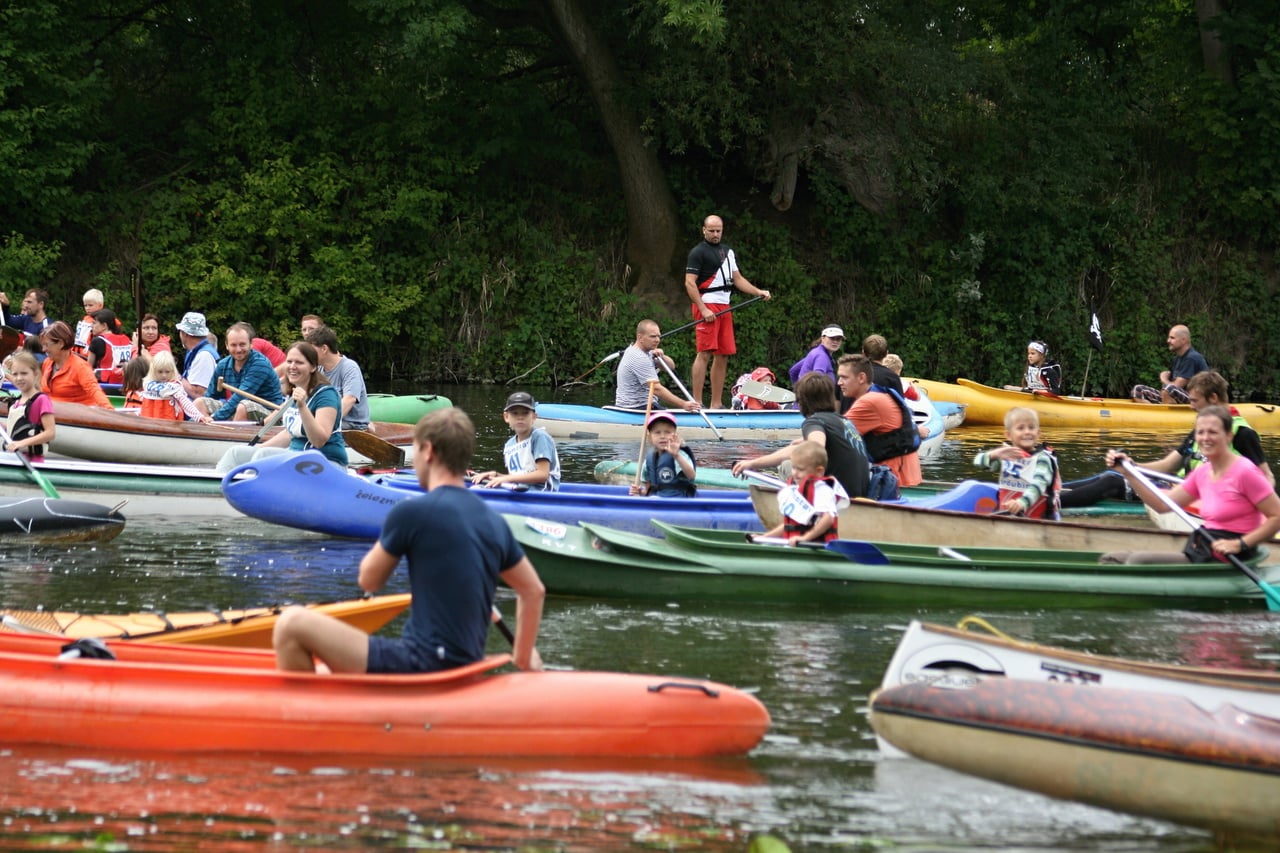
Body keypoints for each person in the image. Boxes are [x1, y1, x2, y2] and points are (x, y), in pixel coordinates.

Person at [272, 407, 545, 674]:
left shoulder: (411, 511)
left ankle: (310, 713)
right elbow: (534, 591)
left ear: (428, 451)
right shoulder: (494, 521)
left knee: (290, 623)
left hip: (420, 661)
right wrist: (522, 655)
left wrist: (397, 536)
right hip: (466, 660)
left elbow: (369, 581)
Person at [1061, 370, 1273, 508]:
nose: (1191, 406)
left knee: (1112, 481)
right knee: (1112, 472)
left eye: (1195, 401)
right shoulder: (1204, 428)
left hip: (1198, 499)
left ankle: (1051, 501)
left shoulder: (1243, 434)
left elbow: (1266, 479)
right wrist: (1132, 466)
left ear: (1214, 399)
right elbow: (1167, 464)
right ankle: (1053, 489)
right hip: (1178, 488)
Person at [1100, 406, 1280, 564]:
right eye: (1200, 432)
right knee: (1111, 558)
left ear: (1229, 436)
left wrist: (1240, 544)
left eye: (1213, 432)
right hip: (1205, 548)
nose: (1205, 438)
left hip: (1232, 556)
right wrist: (1130, 473)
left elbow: (1276, 516)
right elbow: (1162, 505)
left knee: (1137, 561)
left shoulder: (1245, 472)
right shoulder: (1203, 472)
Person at [733, 371, 870, 499]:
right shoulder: (844, 421)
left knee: (787, 464)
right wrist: (803, 441)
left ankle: (793, 501)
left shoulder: (814, 421)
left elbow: (815, 448)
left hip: (840, 499)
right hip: (861, 494)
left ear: (802, 401)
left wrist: (753, 463)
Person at [683, 214, 771, 408]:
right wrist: (703, 308)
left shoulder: (727, 251)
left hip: (725, 305)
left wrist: (758, 291)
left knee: (723, 354)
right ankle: (696, 402)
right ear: (704, 230)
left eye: (718, 231)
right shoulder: (698, 253)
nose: (715, 234)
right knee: (704, 352)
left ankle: (716, 403)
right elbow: (690, 283)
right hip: (707, 304)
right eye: (712, 231)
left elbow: (737, 279)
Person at [837, 353, 922, 487]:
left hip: (895, 482)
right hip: (908, 477)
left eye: (844, 377)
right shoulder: (879, 394)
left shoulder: (869, 402)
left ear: (861, 378)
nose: (839, 382)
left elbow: (833, 433)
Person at [260, 341, 348, 466]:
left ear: (313, 367)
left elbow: (319, 441)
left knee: (261, 457)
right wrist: (257, 449)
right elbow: (289, 434)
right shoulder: (293, 393)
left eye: (299, 362)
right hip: (296, 457)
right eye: (289, 362)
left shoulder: (326, 395)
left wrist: (302, 407)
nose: (292, 366)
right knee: (238, 453)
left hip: (326, 462)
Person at [972, 407, 1061, 519]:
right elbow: (978, 463)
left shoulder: (1042, 459)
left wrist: (1022, 503)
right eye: (1020, 428)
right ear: (1009, 435)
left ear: (1038, 433)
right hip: (1007, 516)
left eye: (1031, 427)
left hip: (1037, 520)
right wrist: (994, 454)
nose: (1027, 432)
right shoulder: (1006, 455)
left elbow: (1039, 484)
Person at [754, 442, 842, 545]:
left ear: (819, 471)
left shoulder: (822, 491)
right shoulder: (797, 490)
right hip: (797, 546)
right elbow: (789, 525)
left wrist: (805, 538)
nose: (794, 473)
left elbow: (828, 519)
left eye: (800, 469)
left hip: (816, 549)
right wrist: (763, 538)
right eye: (793, 468)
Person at [472, 391, 562, 491]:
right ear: (506, 417)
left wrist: (505, 478)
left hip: (542, 494)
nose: (520, 417)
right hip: (521, 491)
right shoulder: (509, 445)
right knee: (476, 488)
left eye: (525, 413)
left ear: (534, 417)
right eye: (515, 413)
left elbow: (542, 474)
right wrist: (496, 476)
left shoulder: (539, 437)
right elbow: (516, 477)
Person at [201, 322, 285, 421]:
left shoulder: (260, 364)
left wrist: (214, 418)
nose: (238, 349)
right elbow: (210, 396)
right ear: (227, 345)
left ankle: (231, 436)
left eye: (242, 344)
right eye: (233, 345)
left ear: (251, 344)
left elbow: (240, 397)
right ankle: (205, 434)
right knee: (200, 402)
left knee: (243, 406)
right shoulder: (223, 365)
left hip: (271, 414)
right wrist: (202, 418)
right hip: (238, 408)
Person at [614, 319, 701, 411]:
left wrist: (662, 357)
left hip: (643, 406)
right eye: (653, 336)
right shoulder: (638, 357)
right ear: (640, 337)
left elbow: (671, 367)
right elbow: (656, 388)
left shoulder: (646, 351)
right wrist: (683, 404)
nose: (657, 340)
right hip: (637, 408)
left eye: (658, 336)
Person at [306, 326, 370, 431]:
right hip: (335, 424)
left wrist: (323, 423)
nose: (309, 355)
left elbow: (349, 400)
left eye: (312, 351)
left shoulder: (349, 367)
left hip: (353, 427)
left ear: (324, 349)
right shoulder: (319, 370)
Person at [38, 322, 111, 408]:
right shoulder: (47, 362)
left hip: (75, 417)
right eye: (43, 345)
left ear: (61, 344)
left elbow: (94, 391)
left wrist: (110, 411)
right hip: (51, 414)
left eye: (46, 345)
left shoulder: (80, 367)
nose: (43, 349)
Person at [1132, 324, 1209, 404]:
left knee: (1168, 389)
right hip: (1176, 397)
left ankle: (1165, 414)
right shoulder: (1177, 359)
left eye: (1172, 338)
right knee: (1138, 390)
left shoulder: (1191, 358)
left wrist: (1164, 379)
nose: (1168, 341)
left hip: (1197, 399)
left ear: (1183, 340)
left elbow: (1176, 386)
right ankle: (1155, 413)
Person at [1, 351, 55, 461]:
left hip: (31, 460)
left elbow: (50, 433)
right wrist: (3, 427)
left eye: (24, 373)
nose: (19, 378)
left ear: (35, 374)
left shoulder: (41, 400)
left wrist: (21, 443)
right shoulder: (16, 402)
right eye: (15, 374)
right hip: (14, 457)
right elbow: (18, 430)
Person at [630, 411, 696, 497]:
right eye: (657, 432)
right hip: (656, 501)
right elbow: (648, 490)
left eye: (667, 432)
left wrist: (676, 456)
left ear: (675, 435)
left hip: (678, 501)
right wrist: (639, 492)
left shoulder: (679, 454)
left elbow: (691, 476)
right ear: (650, 438)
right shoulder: (649, 459)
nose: (662, 436)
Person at [139, 350, 212, 422]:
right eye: (160, 371)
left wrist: (198, 416)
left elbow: (185, 403)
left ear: (173, 371)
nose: (164, 375)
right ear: (153, 370)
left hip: (169, 424)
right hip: (148, 422)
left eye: (167, 372)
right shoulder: (148, 383)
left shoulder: (174, 387)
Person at [175, 311, 219, 399]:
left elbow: (198, 393)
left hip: (197, 411)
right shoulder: (196, 352)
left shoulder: (204, 356)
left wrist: (175, 376)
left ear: (185, 334)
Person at [87, 309, 134, 383]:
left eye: (94, 323)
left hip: (104, 384)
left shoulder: (97, 341)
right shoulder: (127, 340)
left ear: (104, 326)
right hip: (125, 382)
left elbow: (88, 367)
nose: (91, 326)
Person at [72, 288, 105, 358]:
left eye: (90, 305)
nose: (87, 308)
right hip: (79, 353)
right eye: (85, 305)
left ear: (100, 305)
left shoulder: (105, 320)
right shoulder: (85, 319)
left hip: (92, 354)